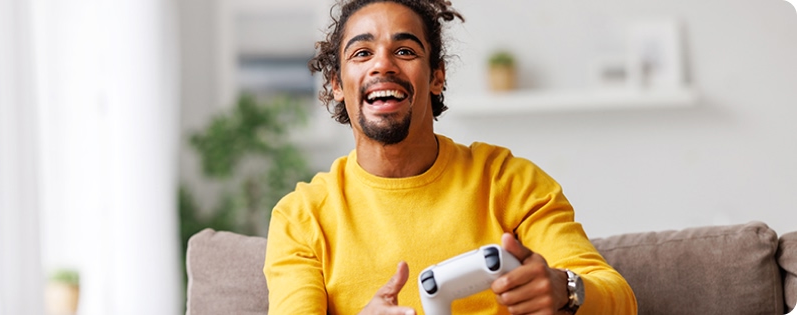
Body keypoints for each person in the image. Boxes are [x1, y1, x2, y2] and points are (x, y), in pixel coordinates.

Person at [263, 0, 638, 314]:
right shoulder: (301, 217)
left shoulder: (508, 181)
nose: (382, 65)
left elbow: (620, 298)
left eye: (405, 51)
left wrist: (565, 290)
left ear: (436, 77)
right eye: (362, 53)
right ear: (336, 85)